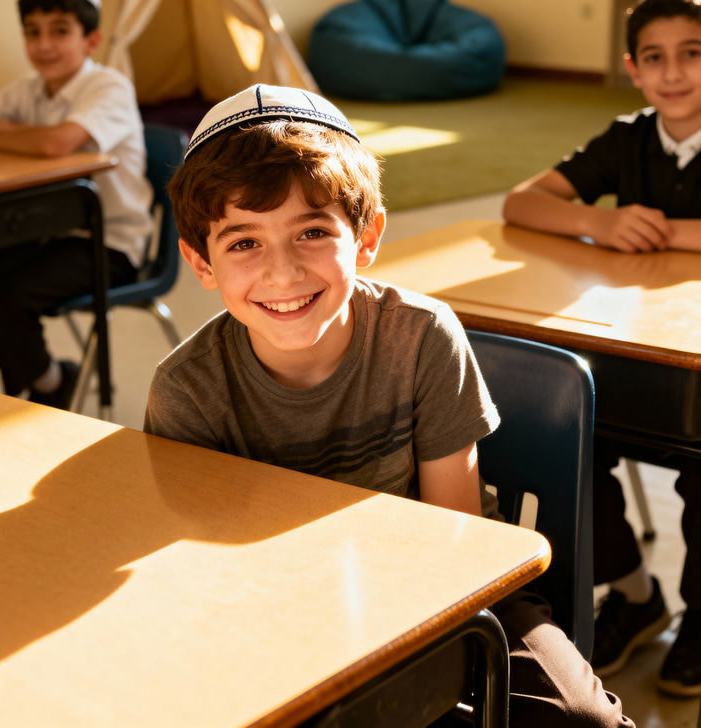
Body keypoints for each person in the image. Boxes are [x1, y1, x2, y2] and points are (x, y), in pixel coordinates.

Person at [144, 83, 634, 727]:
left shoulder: (423, 335)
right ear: (199, 262)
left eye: (312, 231)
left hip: (444, 588)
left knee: (582, 718)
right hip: (277, 613)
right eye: (243, 243)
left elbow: (453, 540)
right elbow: (204, 573)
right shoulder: (187, 389)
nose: (283, 272)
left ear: (367, 237)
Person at [503, 0, 701, 697]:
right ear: (633, 69)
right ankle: (636, 593)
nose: (673, 73)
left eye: (693, 53)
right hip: (630, 354)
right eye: (654, 57)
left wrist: (676, 232)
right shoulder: (628, 138)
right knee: (563, 440)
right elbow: (522, 202)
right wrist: (601, 221)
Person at [0, 0, 153, 409]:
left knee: (7, 304)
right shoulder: (30, 90)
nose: (44, 45)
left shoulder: (109, 86)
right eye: (32, 32)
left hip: (110, 244)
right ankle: (51, 379)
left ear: (92, 40)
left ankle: (42, 392)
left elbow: (55, 144)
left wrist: (10, 134)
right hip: (48, 234)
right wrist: (21, 131)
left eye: (60, 31)